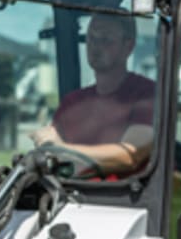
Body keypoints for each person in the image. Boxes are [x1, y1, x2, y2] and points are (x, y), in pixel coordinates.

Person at [29, 12, 156, 177]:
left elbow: (130, 155)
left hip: (124, 200)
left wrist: (62, 150)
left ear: (128, 46)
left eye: (105, 40)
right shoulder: (72, 102)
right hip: (72, 198)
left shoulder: (148, 94)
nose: (95, 46)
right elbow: (53, 154)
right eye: (91, 38)